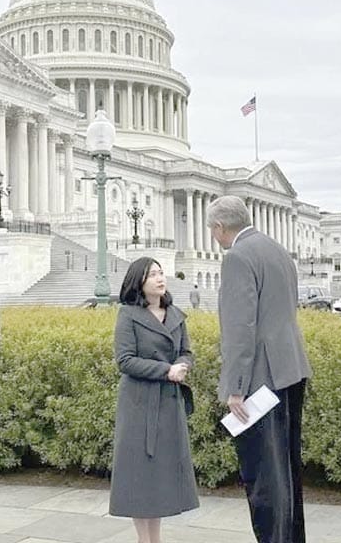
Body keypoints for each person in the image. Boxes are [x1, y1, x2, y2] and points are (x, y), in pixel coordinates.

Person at [206, 195, 312, 543]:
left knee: (265, 476)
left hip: (260, 380)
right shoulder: (276, 249)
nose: (214, 236)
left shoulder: (237, 257)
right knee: (287, 471)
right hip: (291, 368)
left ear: (220, 227)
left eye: (213, 230)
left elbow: (240, 329)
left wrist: (235, 387)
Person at [109, 256, 199, 543]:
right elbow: (125, 360)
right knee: (140, 476)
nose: (160, 279)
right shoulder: (127, 315)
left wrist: (183, 365)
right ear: (140, 282)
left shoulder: (176, 314)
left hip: (168, 404)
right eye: (153, 275)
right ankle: (144, 540)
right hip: (138, 404)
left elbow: (186, 351)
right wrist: (165, 370)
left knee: (159, 476)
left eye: (161, 273)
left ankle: (154, 539)